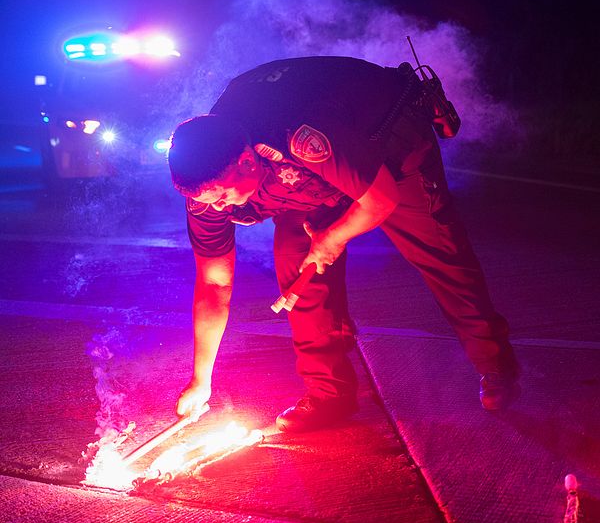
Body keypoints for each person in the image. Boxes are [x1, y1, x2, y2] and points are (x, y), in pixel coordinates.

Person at [167, 56, 520, 433]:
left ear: (246, 163)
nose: (215, 208)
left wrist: (332, 238)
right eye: (206, 201)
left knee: (440, 253)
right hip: (305, 181)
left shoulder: (299, 135)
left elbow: (381, 200)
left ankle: (494, 365)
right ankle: (328, 395)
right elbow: (214, 284)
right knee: (299, 274)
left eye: (220, 196)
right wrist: (200, 379)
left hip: (386, 147)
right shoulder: (206, 188)